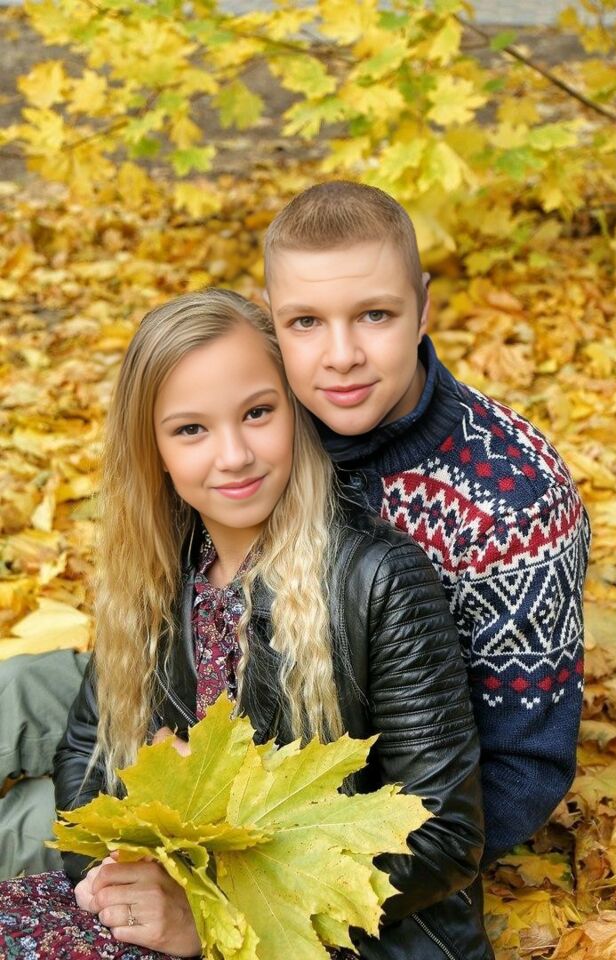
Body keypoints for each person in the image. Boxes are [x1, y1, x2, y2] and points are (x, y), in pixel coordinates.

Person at [0, 289, 492, 960]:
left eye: (258, 413)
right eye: (191, 430)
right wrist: (107, 877)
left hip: (329, 934)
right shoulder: (160, 567)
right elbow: (89, 747)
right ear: (154, 449)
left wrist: (210, 912)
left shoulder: (378, 579)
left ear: (296, 411)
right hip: (172, 904)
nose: (233, 455)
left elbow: (444, 837)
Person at [262, 179, 590, 927]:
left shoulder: (511, 499)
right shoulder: (258, 428)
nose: (341, 356)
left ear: (423, 310)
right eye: (306, 321)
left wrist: (330, 878)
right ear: (272, 320)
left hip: (372, 836)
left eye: (374, 315)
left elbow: (521, 769)